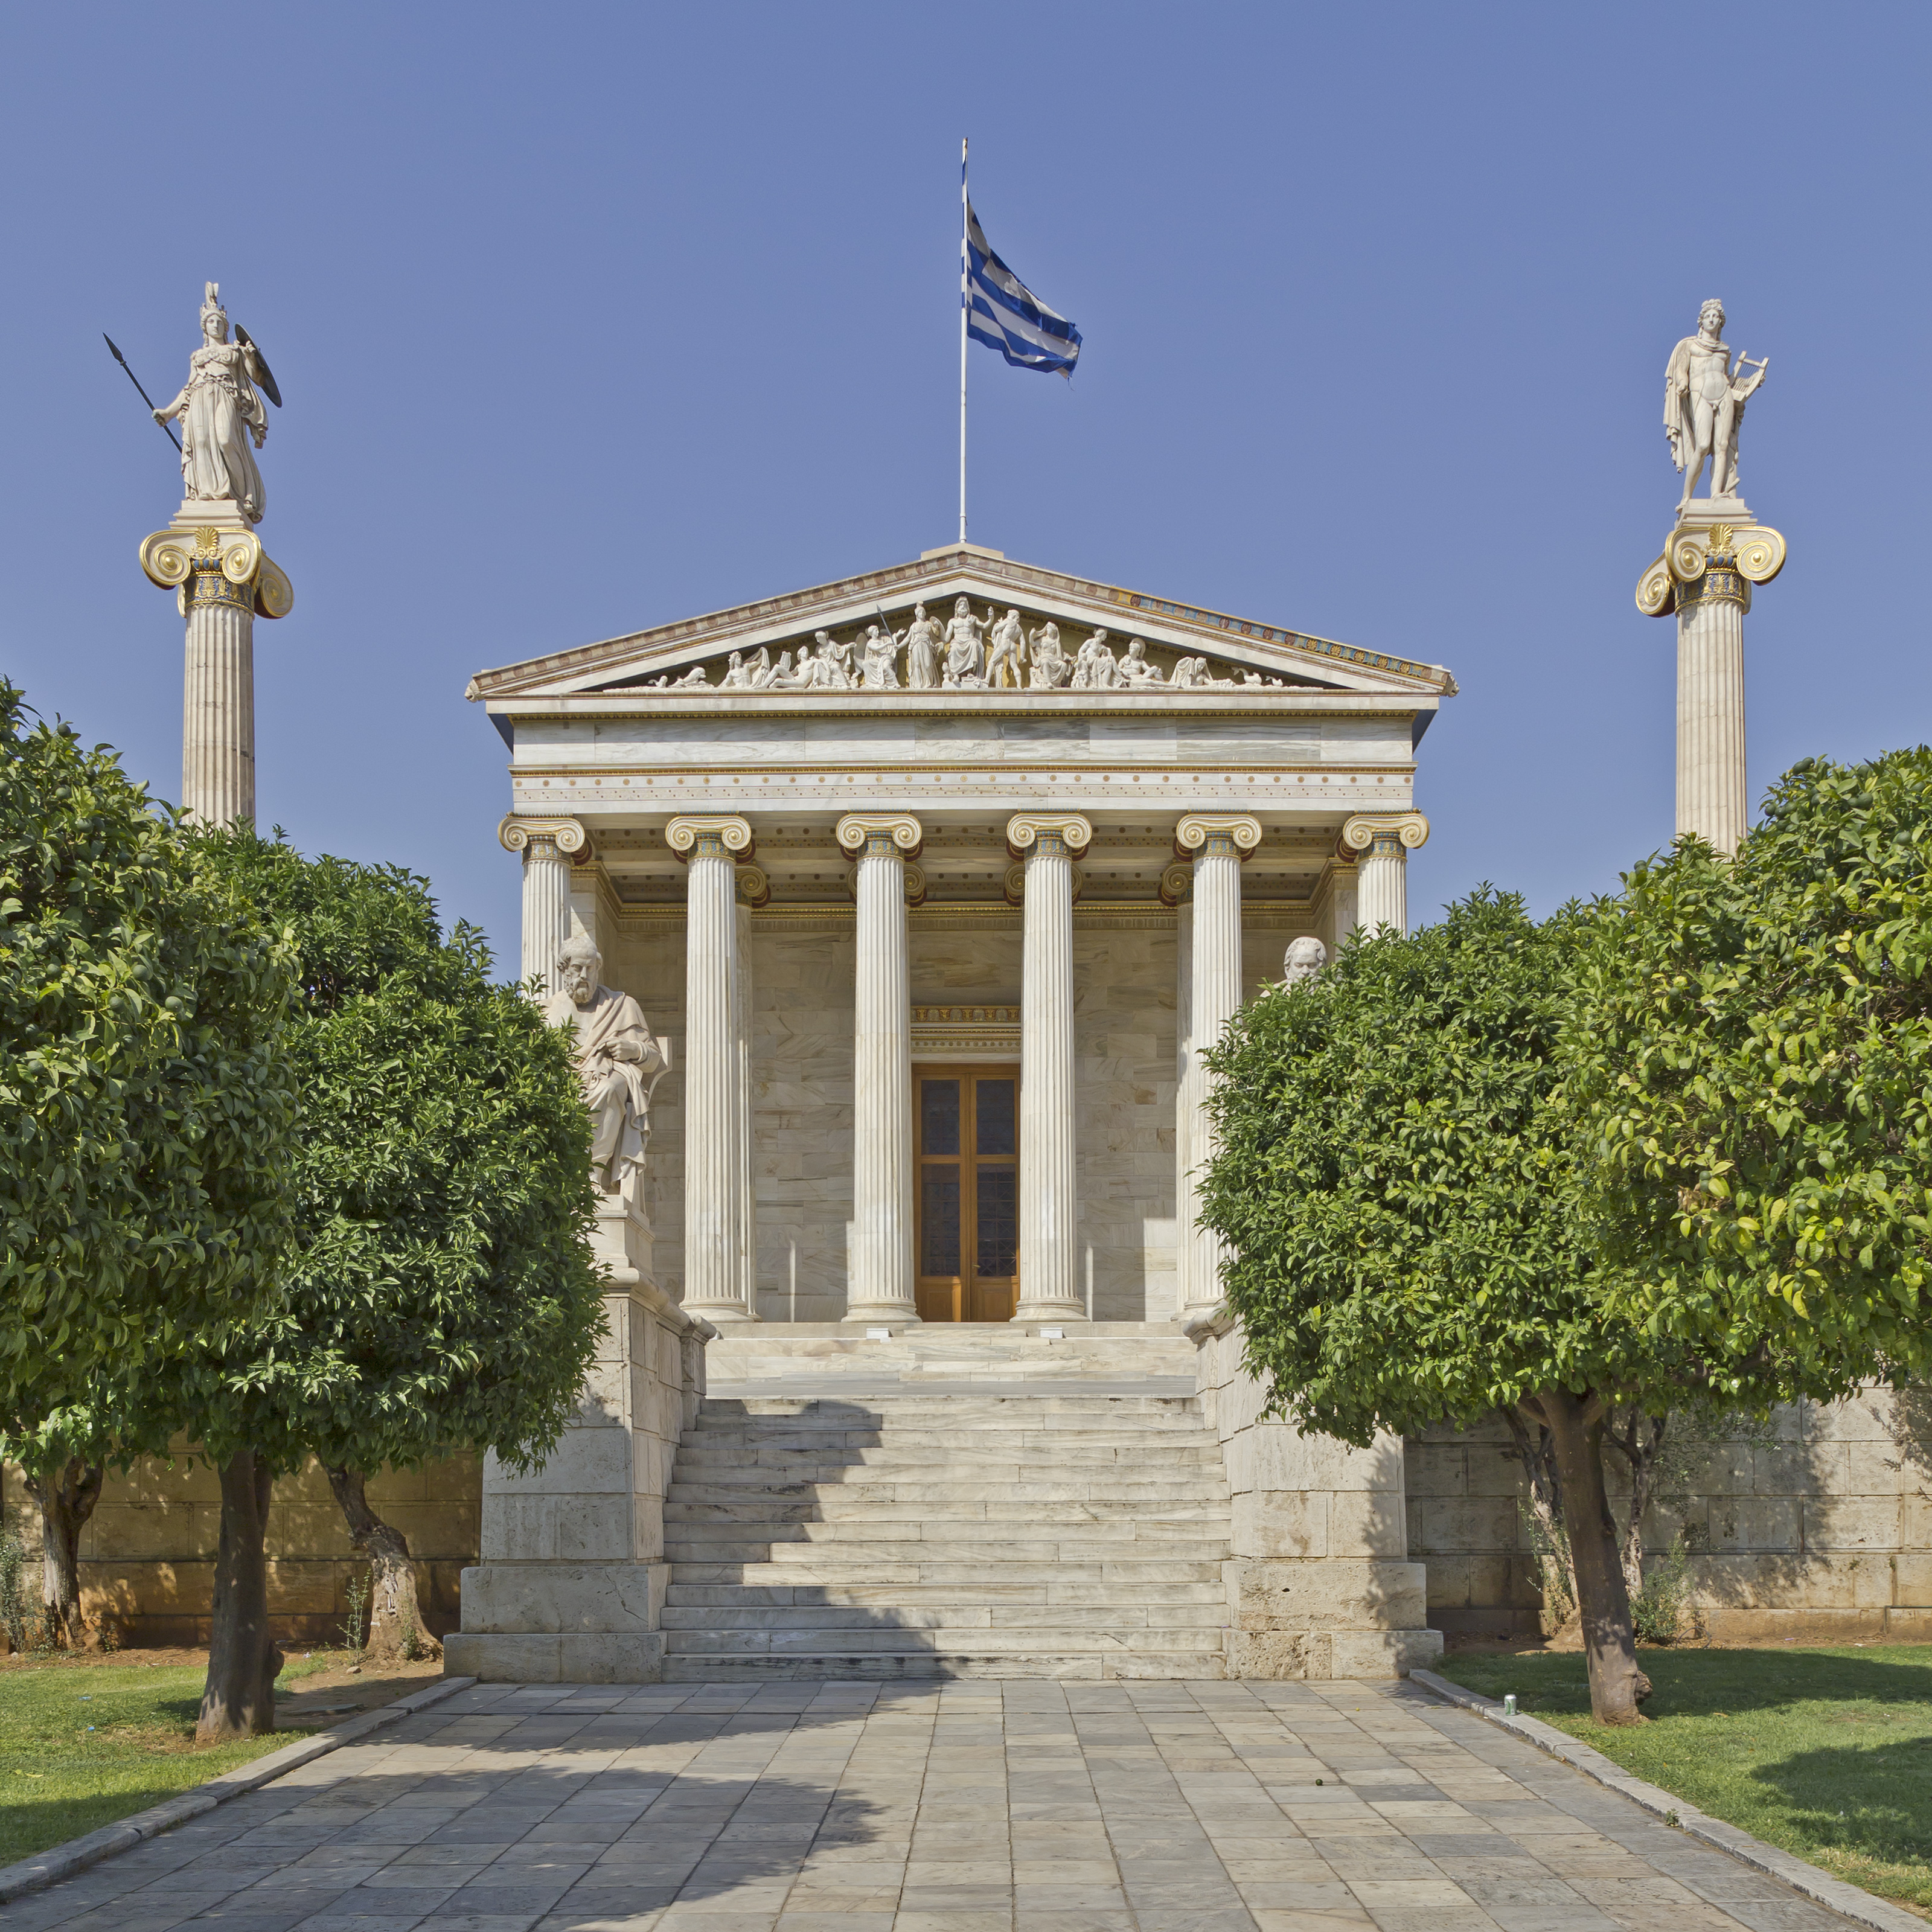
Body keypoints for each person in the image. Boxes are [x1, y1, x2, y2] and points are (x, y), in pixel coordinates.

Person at [542, 933, 668, 1199]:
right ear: (563, 970)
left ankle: (591, 1176)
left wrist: (633, 1049)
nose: (584, 975)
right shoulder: (546, 1012)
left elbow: (653, 1058)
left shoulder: (622, 1006)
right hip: (562, 1082)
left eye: (591, 968)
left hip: (603, 1081)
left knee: (612, 1088)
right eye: (577, 968)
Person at [152, 283, 271, 523]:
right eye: (210, 323)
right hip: (199, 399)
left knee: (226, 439)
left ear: (225, 327)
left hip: (225, 394)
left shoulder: (233, 352)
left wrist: (251, 357)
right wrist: (168, 413)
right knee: (203, 443)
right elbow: (188, 388)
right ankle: (208, 493)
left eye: (218, 322)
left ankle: (241, 494)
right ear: (204, 328)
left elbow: (257, 378)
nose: (215, 325)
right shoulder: (198, 357)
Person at [1664, 299, 1767, 508]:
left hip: (1724, 394)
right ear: (1701, 321)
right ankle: (1686, 497)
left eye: (1717, 317)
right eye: (1709, 316)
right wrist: (1683, 383)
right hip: (1700, 394)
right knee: (1702, 446)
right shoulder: (1689, 345)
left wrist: (1752, 382)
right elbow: (1680, 370)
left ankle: (1717, 494)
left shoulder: (1724, 350)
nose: (1713, 319)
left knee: (1722, 446)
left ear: (1721, 322)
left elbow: (1727, 378)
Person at [985, 609, 1027, 689]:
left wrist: (1000, 623)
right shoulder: (1020, 629)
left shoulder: (1008, 621)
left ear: (1012, 616)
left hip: (1005, 643)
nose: (1008, 617)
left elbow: (997, 629)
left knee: (992, 661)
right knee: (1014, 666)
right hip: (1013, 645)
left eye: (1009, 615)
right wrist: (1022, 657)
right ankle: (1019, 685)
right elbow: (1023, 643)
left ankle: (987, 680)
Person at [903, 605, 942, 689]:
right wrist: (898, 646)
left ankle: (929, 684)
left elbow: (936, 633)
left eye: (923, 612)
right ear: (917, 614)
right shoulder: (913, 626)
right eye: (920, 612)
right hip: (916, 645)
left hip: (926, 645)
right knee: (917, 665)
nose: (922, 614)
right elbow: (908, 638)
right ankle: (919, 685)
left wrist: (937, 626)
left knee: (928, 665)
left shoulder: (928, 624)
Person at [1027, 621, 1071, 688]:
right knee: (1045, 662)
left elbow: (1062, 654)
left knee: (1064, 665)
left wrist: (1070, 658)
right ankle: (1048, 682)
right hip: (1044, 657)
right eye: (1047, 628)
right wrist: (1031, 636)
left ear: (1053, 631)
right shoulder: (1043, 639)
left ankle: (1056, 683)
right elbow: (1033, 644)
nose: (1047, 630)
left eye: (1049, 628)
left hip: (1054, 659)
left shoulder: (1056, 642)